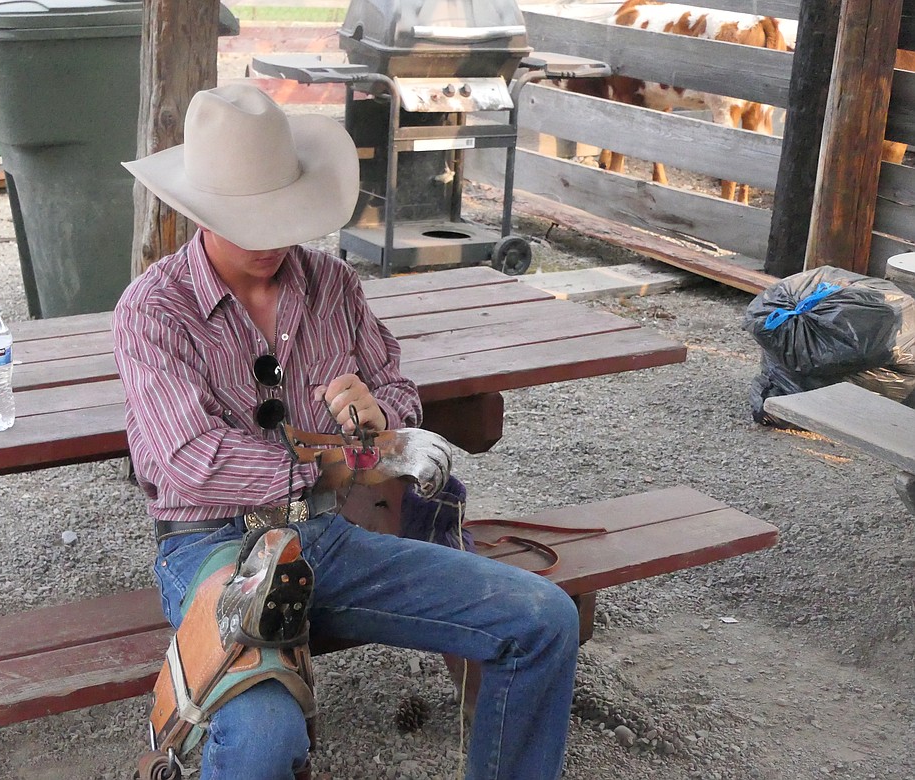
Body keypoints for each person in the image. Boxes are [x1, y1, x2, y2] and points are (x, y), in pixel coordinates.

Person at [113, 83, 579, 780]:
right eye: (250, 219)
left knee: (542, 619)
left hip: (325, 537)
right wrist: (360, 458)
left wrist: (378, 414)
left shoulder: (332, 284)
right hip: (215, 549)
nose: (272, 238)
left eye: (283, 214)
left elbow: (396, 390)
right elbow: (191, 463)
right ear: (200, 213)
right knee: (264, 739)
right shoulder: (153, 310)